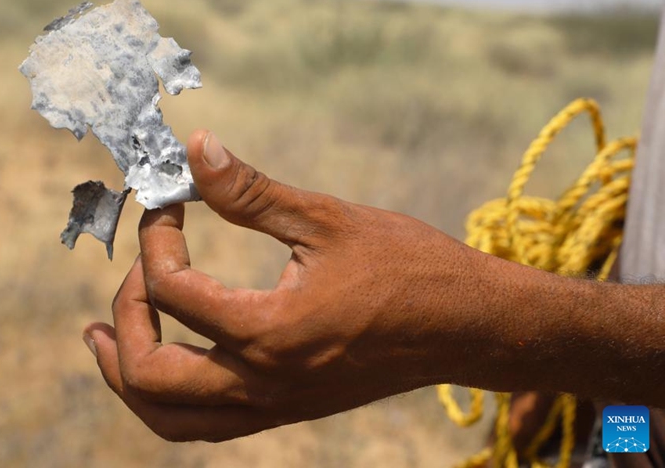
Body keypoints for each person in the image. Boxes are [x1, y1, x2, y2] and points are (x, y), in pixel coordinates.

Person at [81, 129, 665, 444]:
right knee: (624, 441)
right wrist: (576, 362)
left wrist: (519, 331)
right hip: (630, 428)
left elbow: (591, 342)